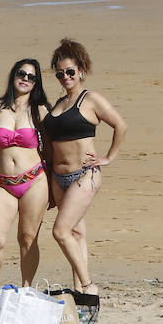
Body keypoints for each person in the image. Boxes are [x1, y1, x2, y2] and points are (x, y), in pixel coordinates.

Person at [45, 39, 128, 298]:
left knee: (60, 231)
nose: (66, 77)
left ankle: (89, 286)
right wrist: (49, 180)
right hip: (58, 177)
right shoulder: (58, 104)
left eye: (70, 71)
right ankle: (79, 290)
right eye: (60, 73)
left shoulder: (90, 99)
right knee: (76, 232)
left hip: (84, 175)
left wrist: (108, 157)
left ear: (81, 70)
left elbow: (120, 125)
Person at [0, 59, 52, 288]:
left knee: (27, 238)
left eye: (31, 76)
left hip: (35, 180)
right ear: (13, 75)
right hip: (3, 182)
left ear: (36, 83)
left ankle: (26, 288)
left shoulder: (41, 110)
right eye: (21, 73)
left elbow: (55, 146)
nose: (25, 79)